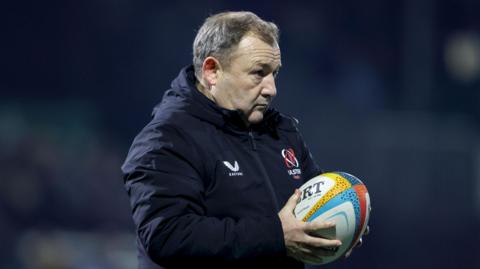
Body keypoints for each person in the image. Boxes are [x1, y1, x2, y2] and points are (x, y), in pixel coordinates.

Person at [122, 11, 356, 269]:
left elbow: (315, 203)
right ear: (212, 71)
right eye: (258, 72)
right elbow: (168, 235)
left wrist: (343, 222)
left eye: (274, 74)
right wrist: (275, 235)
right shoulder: (167, 139)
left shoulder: (282, 133)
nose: (271, 89)